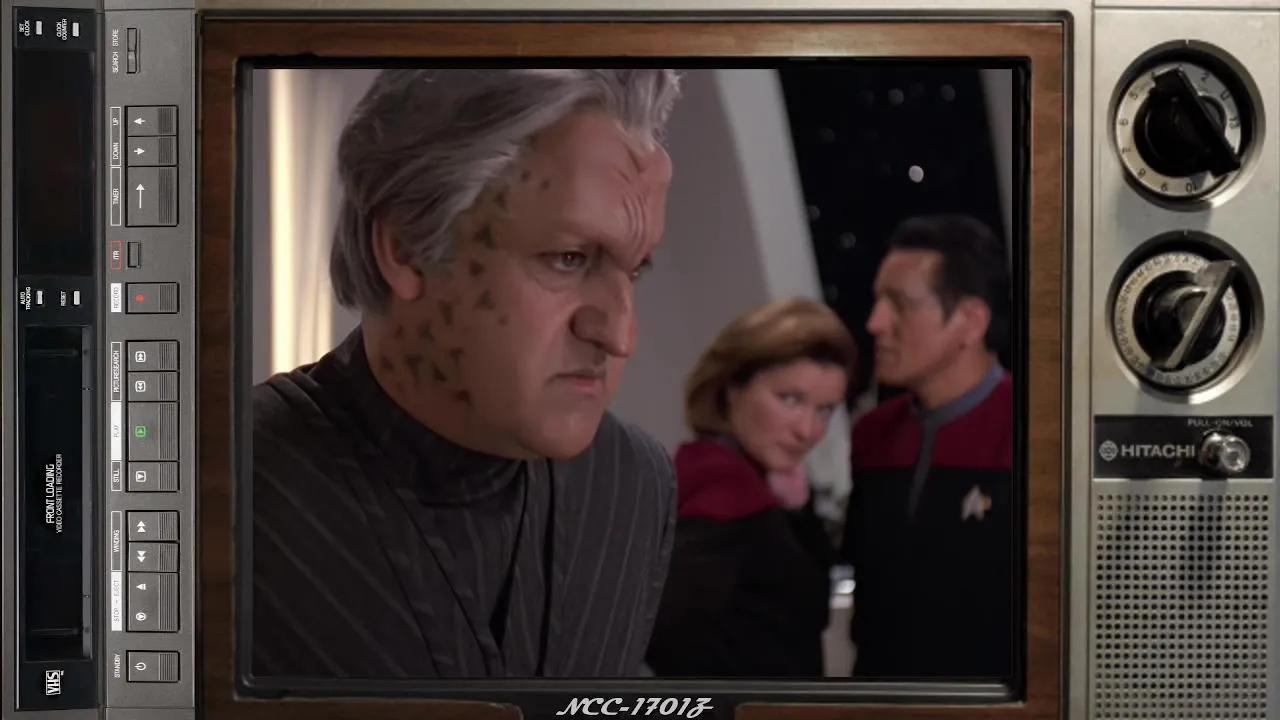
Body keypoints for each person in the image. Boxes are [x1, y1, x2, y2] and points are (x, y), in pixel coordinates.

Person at [250, 69, 684, 679]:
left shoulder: (632, 485)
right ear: (407, 245)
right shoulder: (220, 487)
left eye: (633, 270)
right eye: (567, 258)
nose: (621, 335)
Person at [841, 214, 1015, 681]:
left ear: (969, 321)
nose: (875, 323)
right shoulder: (873, 435)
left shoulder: (1035, 433)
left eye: (899, 304)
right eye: (878, 301)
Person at [646, 298, 854, 678]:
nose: (808, 430)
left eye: (824, 409)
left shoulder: (758, 484)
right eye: (789, 399)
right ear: (733, 388)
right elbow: (667, 639)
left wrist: (797, 511)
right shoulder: (721, 493)